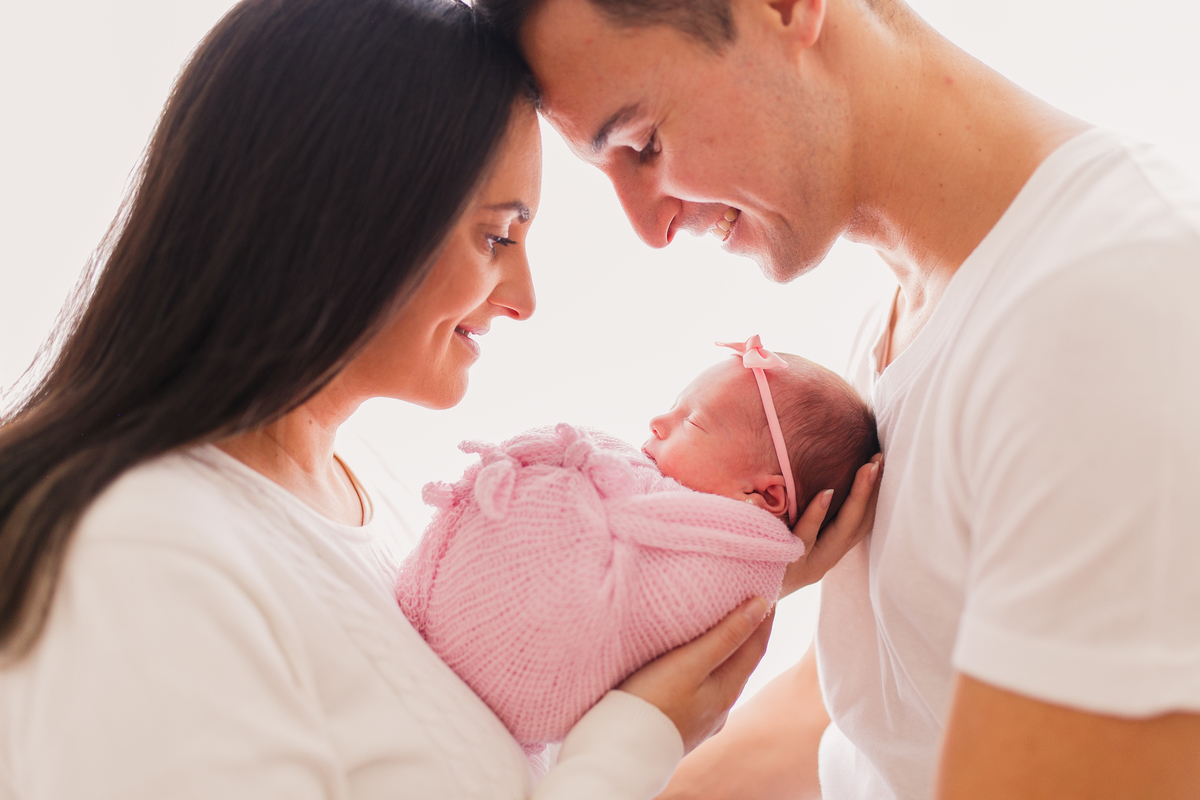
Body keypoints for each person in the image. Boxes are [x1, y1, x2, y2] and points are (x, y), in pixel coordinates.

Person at [0, 1, 882, 797]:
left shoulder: (363, 502)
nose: (524, 297)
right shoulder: (139, 553)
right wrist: (634, 743)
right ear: (338, 221)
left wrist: (722, 576)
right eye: (496, 235)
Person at [474, 0, 1200, 797]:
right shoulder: (899, 330)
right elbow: (864, 711)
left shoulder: (1112, 311)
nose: (649, 225)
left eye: (645, 142)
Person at [396, 338, 877, 759]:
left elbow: (634, 618)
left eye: (692, 421)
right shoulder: (693, 525)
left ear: (762, 496)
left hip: (519, 674)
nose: (658, 421)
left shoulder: (723, 561)